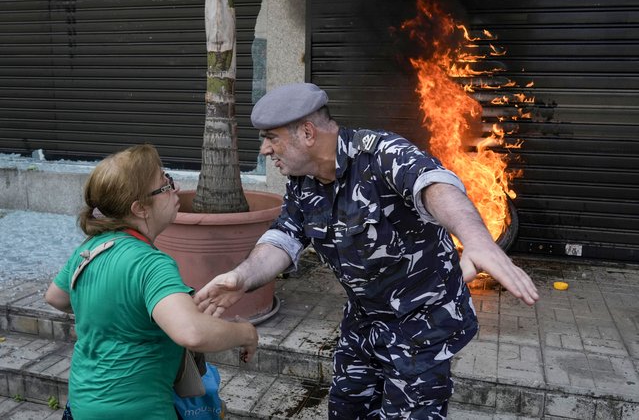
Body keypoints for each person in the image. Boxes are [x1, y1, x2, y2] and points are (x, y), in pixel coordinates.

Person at [193, 83, 539, 419]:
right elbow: (285, 236)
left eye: (272, 138)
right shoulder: (303, 178)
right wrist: (242, 277)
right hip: (364, 321)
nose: (265, 151)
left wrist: (476, 238)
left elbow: (433, 184)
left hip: (421, 324)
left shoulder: (381, 154)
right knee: (346, 408)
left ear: (308, 134)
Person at [45, 144, 258, 420]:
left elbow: (56, 297)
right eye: (165, 184)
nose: (175, 188)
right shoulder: (151, 263)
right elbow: (191, 333)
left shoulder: (90, 250)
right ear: (140, 208)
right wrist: (245, 332)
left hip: (81, 406)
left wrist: (122, 316)